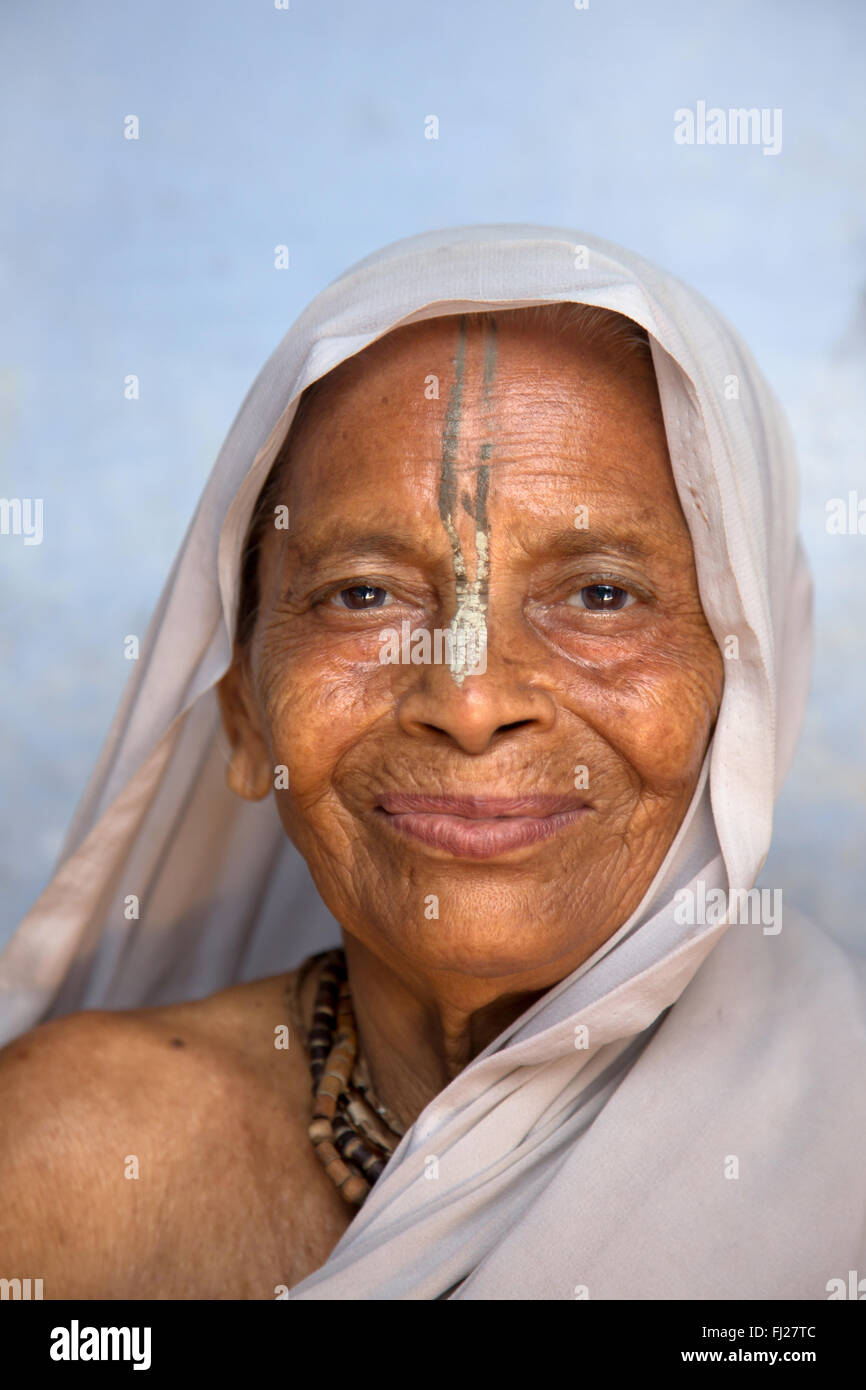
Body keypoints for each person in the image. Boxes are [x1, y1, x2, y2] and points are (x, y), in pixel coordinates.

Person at [0, 226, 862, 1301]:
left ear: (744, 701)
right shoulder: (56, 1174)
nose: (467, 701)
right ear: (244, 717)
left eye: (599, 595)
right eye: (362, 593)